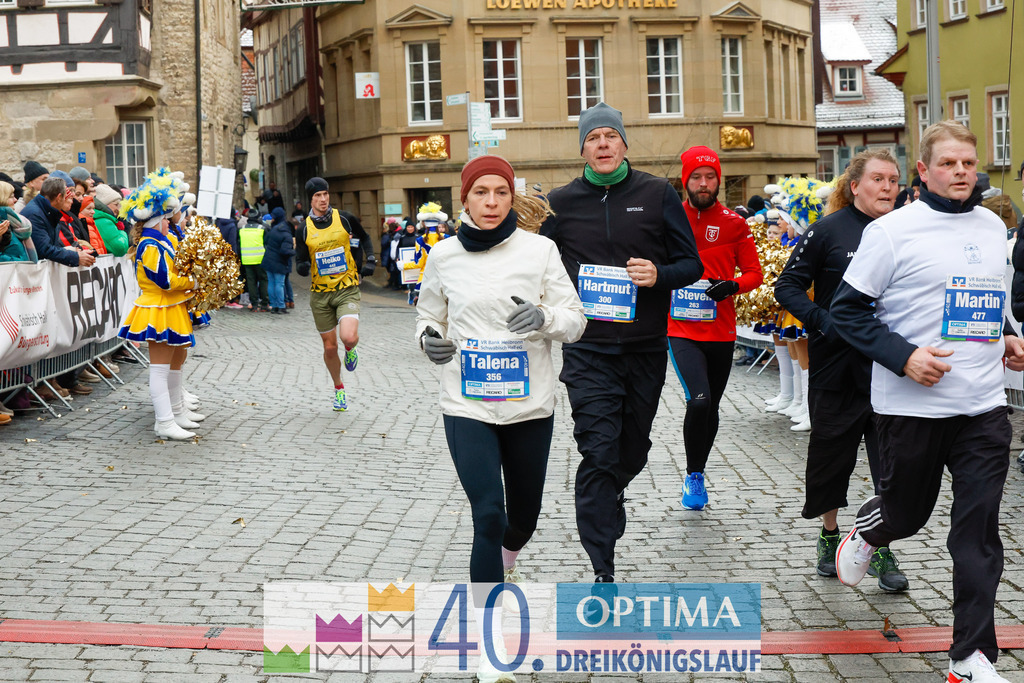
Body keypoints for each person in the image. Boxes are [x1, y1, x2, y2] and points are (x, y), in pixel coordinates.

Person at [831, 121, 1024, 683]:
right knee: (907, 514)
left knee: (978, 533)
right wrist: (904, 355)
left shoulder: (993, 227)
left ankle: (970, 656)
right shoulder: (893, 232)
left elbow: (992, 303)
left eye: (968, 162)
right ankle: (871, 528)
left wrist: (1008, 336)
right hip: (910, 407)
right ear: (924, 171)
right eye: (948, 164)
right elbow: (847, 312)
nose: (960, 172)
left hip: (984, 408)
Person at [416, 155, 586, 683]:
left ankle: (503, 565)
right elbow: (428, 316)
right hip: (466, 403)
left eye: (501, 193)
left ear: (513, 198)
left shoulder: (541, 250)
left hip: (529, 404)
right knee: (488, 513)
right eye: (481, 193)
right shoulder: (442, 255)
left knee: (523, 518)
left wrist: (546, 318)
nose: (491, 203)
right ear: (463, 199)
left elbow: (575, 320)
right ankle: (490, 642)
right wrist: (428, 342)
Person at [541, 102, 703, 583]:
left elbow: (690, 265)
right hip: (588, 351)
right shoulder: (562, 202)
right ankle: (601, 560)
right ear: (583, 150)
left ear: (624, 144)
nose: (604, 144)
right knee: (597, 450)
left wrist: (658, 275)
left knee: (631, 451)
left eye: (611, 135)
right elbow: (537, 263)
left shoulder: (656, 194)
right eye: (594, 138)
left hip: (645, 347)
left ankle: (612, 491)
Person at [774, 148, 909, 592]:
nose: (888, 187)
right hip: (835, 364)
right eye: (878, 180)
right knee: (832, 455)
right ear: (855, 187)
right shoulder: (828, 231)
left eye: (893, 179)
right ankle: (829, 534)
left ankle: (878, 542)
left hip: (890, 366)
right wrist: (820, 320)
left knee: (889, 461)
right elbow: (787, 285)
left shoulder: (907, 231)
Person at [667, 146, 762, 510]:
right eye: (696, 177)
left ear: (718, 181)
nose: (703, 184)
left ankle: (699, 469)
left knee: (713, 407)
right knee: (700, 401)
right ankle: (692, 476)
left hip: (720, 331)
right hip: (681, 329)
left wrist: (733, 286)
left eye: (710, 177)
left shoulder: (734, 223)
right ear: (685, 181)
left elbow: (755, 272)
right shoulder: (670, 218)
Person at [117, 169, 204, 441]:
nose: (170, 223)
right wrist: (192, 281)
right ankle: (164, 420)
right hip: (157, 308)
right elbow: (164, 280)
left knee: (173, 359)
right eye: (165, 219)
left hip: (167, 306)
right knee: (159, 367)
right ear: (155, 221)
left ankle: (175, 412)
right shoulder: (151, 244)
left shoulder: (157, 241)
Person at [295, 177, 376, 411]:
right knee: (330, 348)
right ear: (310, 199)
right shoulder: (304, 228)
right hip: (320, 295)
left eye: (325, 194)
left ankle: (351, 349)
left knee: (348, 337)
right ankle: (339, 389)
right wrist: (301, 267)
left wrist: (370, 260)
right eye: (317, 196)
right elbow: (300, 258)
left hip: (346, 288)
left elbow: (366, 238)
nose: (323, 199)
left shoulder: (344, 219)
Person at [263, 206, 295, 314]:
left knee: (271, 283)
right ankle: (281, 306)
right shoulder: (286, 234)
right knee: (279, 284)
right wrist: (295, 252)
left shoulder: (273, 229)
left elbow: (266, 241)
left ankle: (274, 305)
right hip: (279, 262)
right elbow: (285, 251)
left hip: (268, 260)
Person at [238, 212, 270, 312]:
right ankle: (264, 304)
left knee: (251, 282)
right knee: (263, 280)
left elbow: (239, 243)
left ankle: (254, 304)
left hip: (247, 259)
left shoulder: (242, 229)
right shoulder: (262, 229)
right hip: (260, 259)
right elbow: (267, 243)